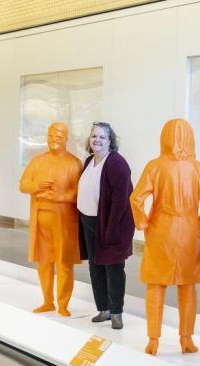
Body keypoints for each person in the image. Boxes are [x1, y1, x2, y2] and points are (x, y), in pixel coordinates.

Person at [130, 118, 200, 355]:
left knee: (156, 285)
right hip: (189, 231)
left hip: (160, 229)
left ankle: (153, 339)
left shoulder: (155, 166)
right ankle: (186, 339)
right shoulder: (198, 168)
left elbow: (136, 198)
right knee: (187, 287)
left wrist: (143, 222)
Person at [20, 122, 83, 317]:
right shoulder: (38, 161)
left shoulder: (74, 163)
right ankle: (48, 301)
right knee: (44, 261)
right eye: (50, 137)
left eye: (57, 137)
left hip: (64, 221)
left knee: (64, 262)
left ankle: (63, 304)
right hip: (41, 219)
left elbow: (78, 192)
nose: (53, 141)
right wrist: (37, 185)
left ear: (65, 139)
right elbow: (23, 185)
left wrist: (59, 197)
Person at [77, 122, 134, 330]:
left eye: (102, 137)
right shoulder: (89, 161)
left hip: (112, 225)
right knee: (95, 267)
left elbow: (121, 200)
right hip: (89, 221)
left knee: (113, 268)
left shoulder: (117, 163)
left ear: (111, 141)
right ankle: (104, 309)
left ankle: (117, 312)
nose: (97, 140)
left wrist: (111, 229)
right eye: (94, 136)